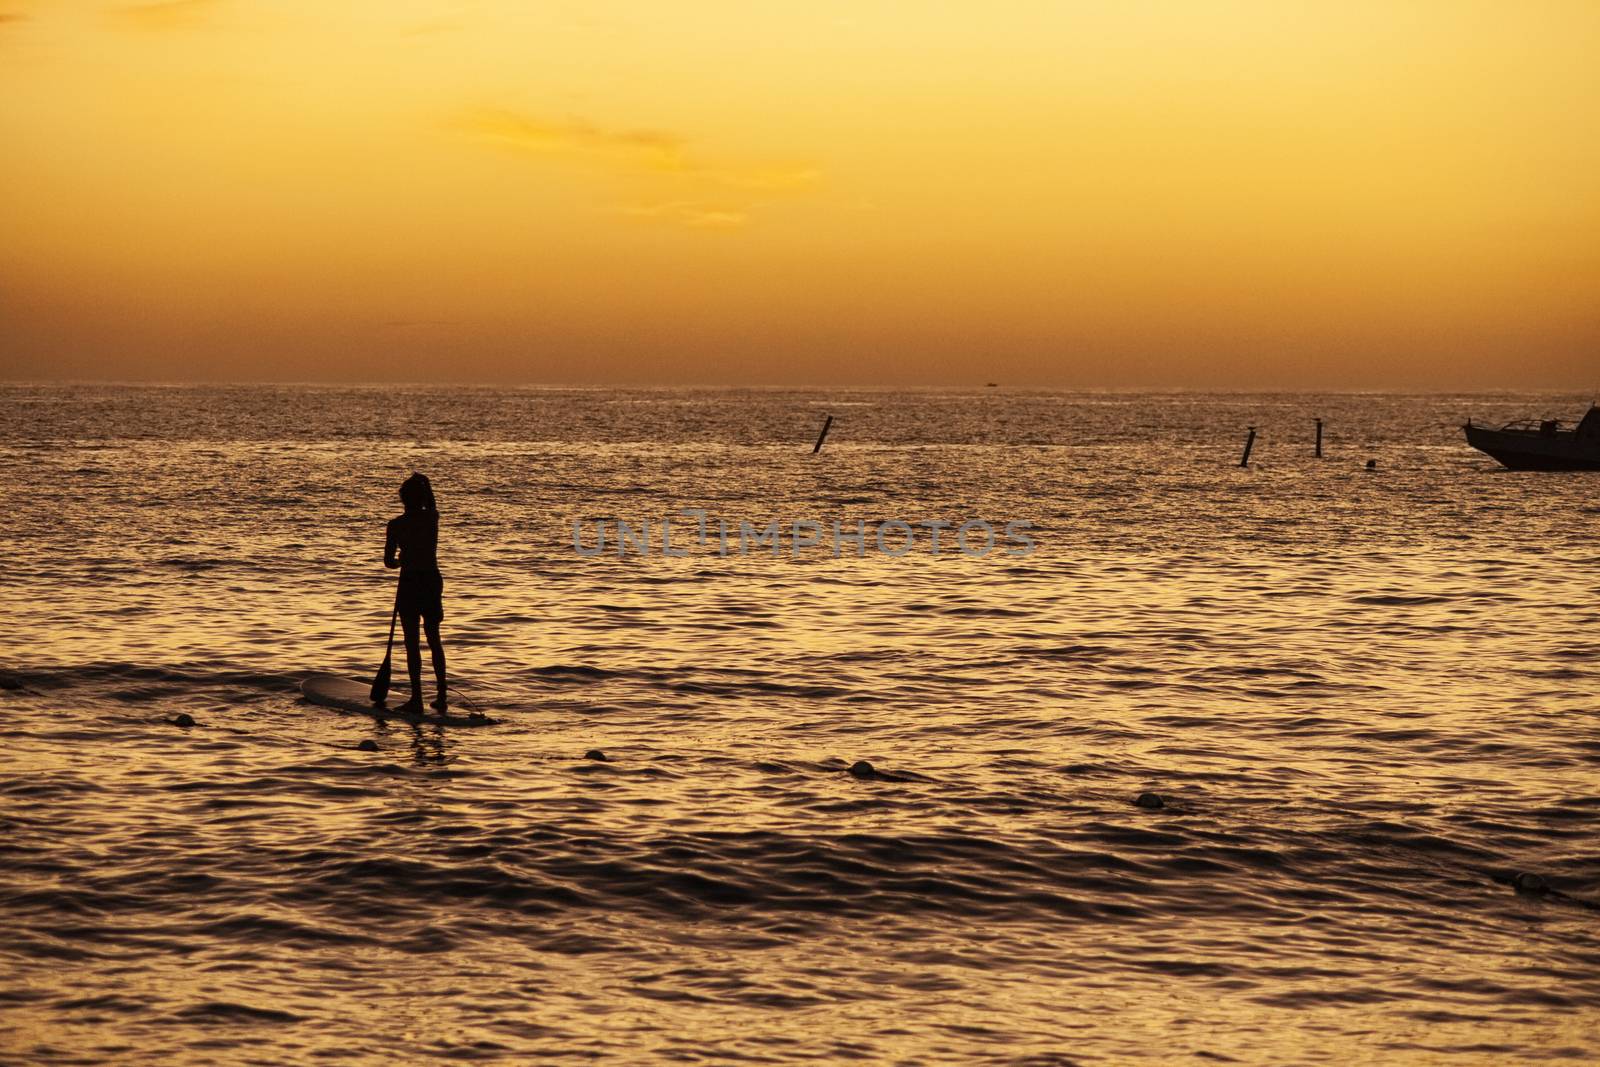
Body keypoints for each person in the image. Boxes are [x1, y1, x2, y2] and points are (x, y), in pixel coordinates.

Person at [385, 472, 447, 713]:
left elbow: (388, 562)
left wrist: (401, 561)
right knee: (434, 639)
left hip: (410, 582)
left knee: (412, 643)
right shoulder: (432, 518)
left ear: (403, 499)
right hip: (431, 580)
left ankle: (417, 699)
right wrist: (427, 483)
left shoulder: (396, 525)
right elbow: (432, 503)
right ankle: (441, 696)